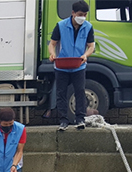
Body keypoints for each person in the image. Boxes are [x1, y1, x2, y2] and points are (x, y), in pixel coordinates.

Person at [48, 0, 95, 131]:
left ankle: (80, 119)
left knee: (80, 92)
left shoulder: (88, 27)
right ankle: (63, 120)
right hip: (61, 65)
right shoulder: (61, 25)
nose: (83, 17)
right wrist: (52, 54)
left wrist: (85, 55)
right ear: (73, 13)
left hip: (79, 65)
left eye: (85, 15)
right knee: (61, 93)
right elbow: (52, 43)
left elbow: (91, 46)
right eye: (80, 14)